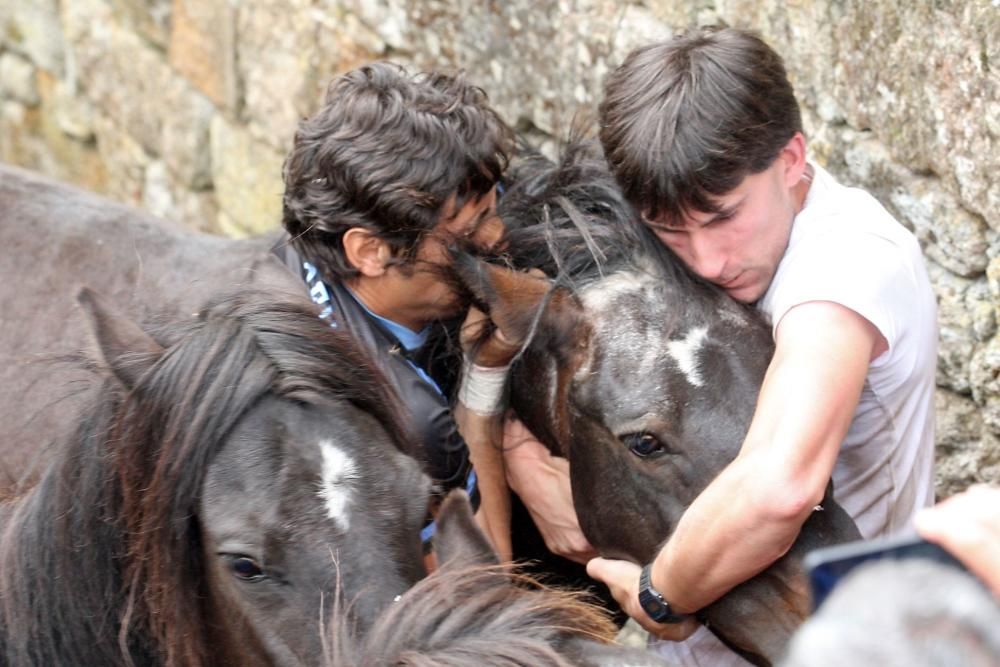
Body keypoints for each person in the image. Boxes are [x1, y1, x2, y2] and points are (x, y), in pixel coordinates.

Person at [584, 26, 939, 665]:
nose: (710, 261)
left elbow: (780, 485)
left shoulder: (848, 269)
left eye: (723, 217)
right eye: (672, 233)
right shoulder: (721, 233)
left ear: (792, 158)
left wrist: (659, 596)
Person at [276, 62, 517, 559]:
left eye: (494, 208)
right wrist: (484, 373)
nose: (497, 238)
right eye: (471, 231)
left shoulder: (295, 246)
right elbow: (487, 579)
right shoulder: (408, 421)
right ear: (369, 252)